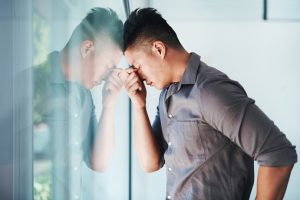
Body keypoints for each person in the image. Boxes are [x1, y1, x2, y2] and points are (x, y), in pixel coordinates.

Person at [123, 8, 297, 200]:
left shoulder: (211, 91)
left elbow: (278, 153)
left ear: (159, 49)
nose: (137, 75)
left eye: (137, 66)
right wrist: (139, 105)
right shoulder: (167, 95)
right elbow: (151, 163)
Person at [32, 7, 123, 199]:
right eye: (109, 67)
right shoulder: (31, 84)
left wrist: (109, 104)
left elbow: (99, 162)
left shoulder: (84, 95)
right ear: (87, 48)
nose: (109, 77)